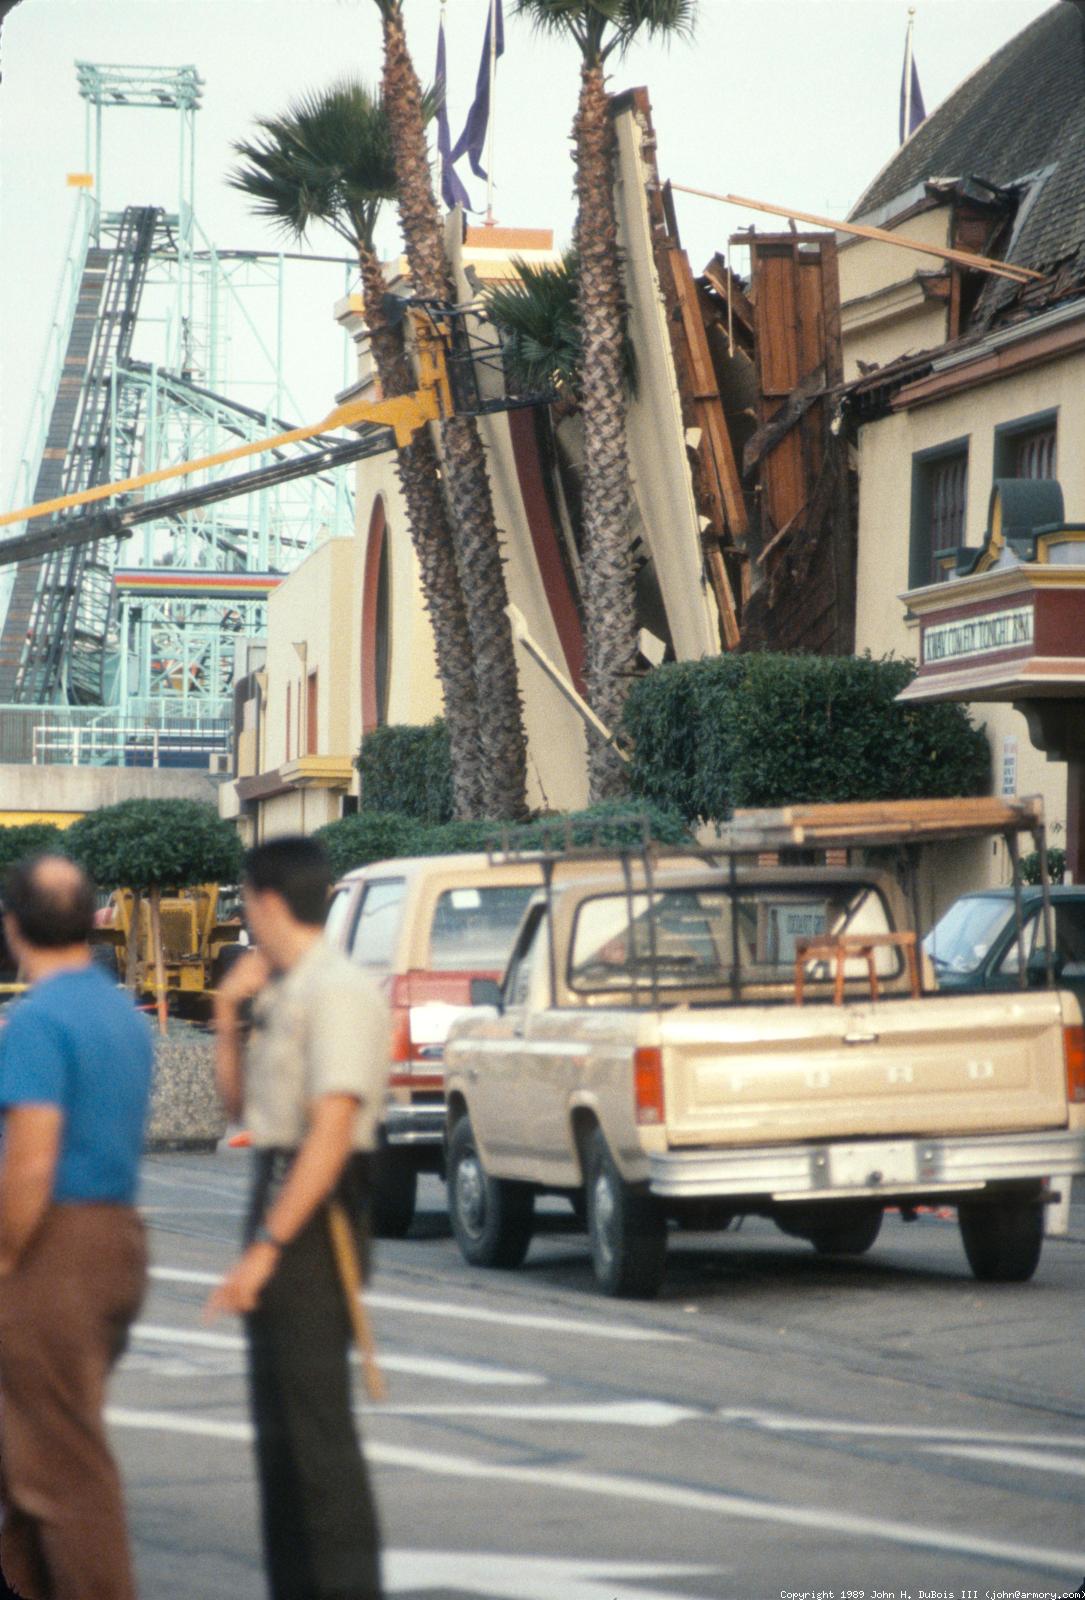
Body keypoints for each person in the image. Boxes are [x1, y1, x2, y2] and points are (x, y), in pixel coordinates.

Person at [206, 835, 390, 1600]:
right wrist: (226, 1014)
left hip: (317, 1217)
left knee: (316, 1442)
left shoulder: (338, 989)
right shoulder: (283, 990)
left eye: (246, 900)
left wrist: (267, 1248)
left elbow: (330, 1130)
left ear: (269, 900)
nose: (244, 915)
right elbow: (241, 1111)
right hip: (274, 1189)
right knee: (278, 1440)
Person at [0, 854, 153, 1600]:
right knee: (29, 1446)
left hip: (55, 1250)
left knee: (63, 1471)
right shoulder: (118, 1012)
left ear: (13, 927)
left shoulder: (37, 1020)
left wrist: (2, 1256)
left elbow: (31, 1159)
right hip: (119, 1242)